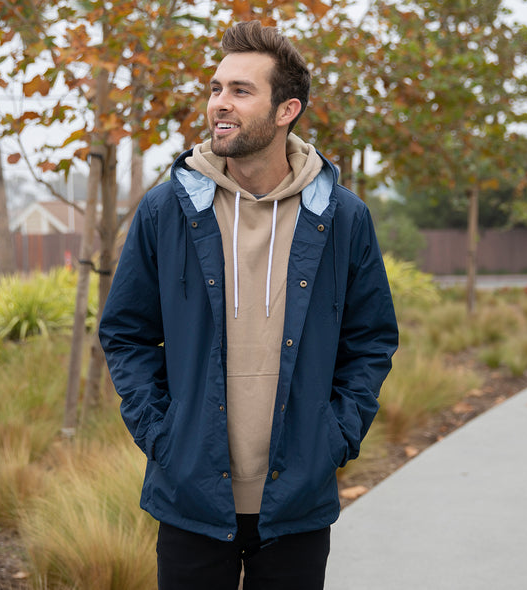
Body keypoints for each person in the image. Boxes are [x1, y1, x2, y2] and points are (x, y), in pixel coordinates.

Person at [99, 20, 398, 590]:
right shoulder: (167, 210)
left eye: (240, 91)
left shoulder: (342, 217)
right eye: (216, 89)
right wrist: (161, 434)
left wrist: (337, 433)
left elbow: (371, 339)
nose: (219, 104)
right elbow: (127, 332)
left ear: (286, 110)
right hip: (190, 491)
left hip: (297, 495)